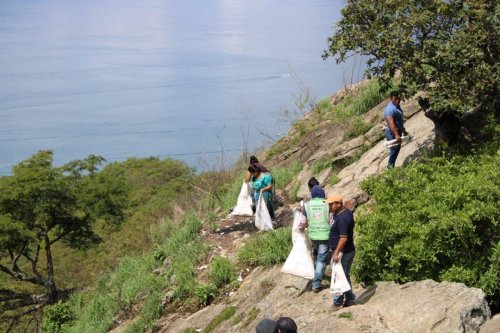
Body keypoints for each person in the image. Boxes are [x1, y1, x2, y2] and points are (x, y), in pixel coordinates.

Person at [327, 193, 356, 308]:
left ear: (338, 204)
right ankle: (350, 299)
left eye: (331, 204)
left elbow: (343, 238)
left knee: (338, 277)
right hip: (347, 250)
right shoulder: (343, 213)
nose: (329, 206)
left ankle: (337, 302)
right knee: (344, 275)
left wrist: (336, 253)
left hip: (343, 252)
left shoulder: (343, 218)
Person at [302, 185, 331, 292]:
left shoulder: (307, 205)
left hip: (313, 235)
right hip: (325, 234)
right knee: (321, 259)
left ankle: (317, 275)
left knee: (316, 254)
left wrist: (300, 229)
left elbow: (303, 222)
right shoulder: (327, 204)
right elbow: (331, 220)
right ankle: (316, 283)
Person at [384, 91, 407, 168]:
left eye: (398, 98)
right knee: (395, 148)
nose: (397, 100)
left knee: (396, 148)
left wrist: (403, 130)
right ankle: (389, 168)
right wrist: (396, 135)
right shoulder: (389, 109)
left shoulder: (397, 107)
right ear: (391, 99)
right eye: (395, 99)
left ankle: (391, 166)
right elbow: (391, 124)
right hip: (391, 132)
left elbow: (398, 121)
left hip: (397, 131)